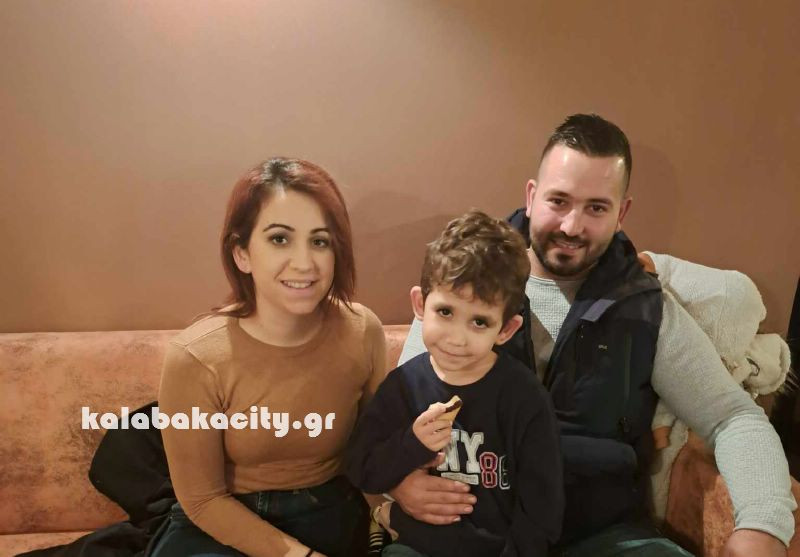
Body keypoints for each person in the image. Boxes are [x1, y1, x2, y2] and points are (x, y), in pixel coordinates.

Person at [396, 115, 797, 556]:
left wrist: (763, 526)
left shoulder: (646, 307)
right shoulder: (461, 284)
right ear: (531, 196)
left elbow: (732, 417)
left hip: (598, 534)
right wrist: (400, 481)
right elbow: (400, 408)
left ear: (621, 214)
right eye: (559, 201)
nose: (572, 226)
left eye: (596, 208)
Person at [150, 158, 387, 557]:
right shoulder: (195, 357)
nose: (304, 263)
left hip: (329, 511)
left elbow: (376, 452)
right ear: (241, 253)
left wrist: (395, 512)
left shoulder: (362, 331)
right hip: (224, 523)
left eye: (320, 241)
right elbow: (203, 500)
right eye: (280, 239)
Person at [347, 210, 563, 557]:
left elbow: (542, 510)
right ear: (421, 304)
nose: (456, 338)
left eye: (479, 322)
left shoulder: (524, 397)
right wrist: (412, 443)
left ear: (506, 329)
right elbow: (362, 469)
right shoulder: (403, 386)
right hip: (415, 547)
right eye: (445, 312)